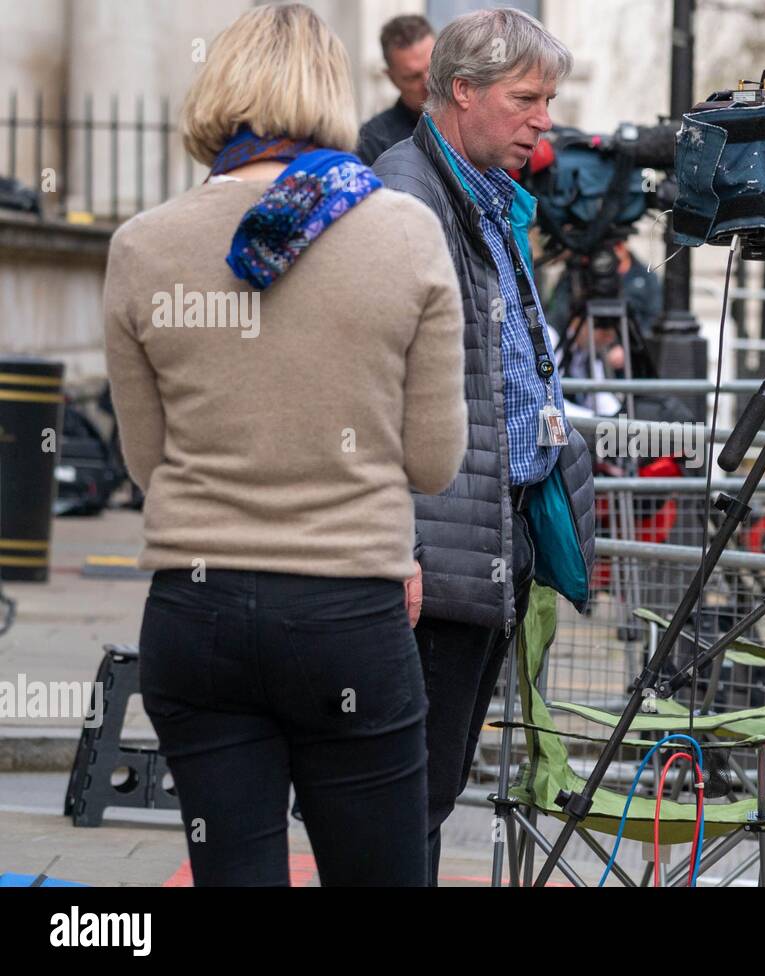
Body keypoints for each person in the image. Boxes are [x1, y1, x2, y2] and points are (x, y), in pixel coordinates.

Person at [103, 3, 467, 885]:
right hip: (347, 614)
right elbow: (433, 461)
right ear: (330, 93)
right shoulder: (406, 232)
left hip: (197, 617)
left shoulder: (142, 245)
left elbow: (145, 463)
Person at [371, 8, 595, 885]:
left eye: (550, 99)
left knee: (431, 785)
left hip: (484, 544)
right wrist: (401, 550)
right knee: (410, 794)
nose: (545, 119)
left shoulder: (478, 192)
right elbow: (377, 393)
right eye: (527, 98)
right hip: (439, 559)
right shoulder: (406, 197)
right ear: (462, 92)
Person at [355, 14, 436, 165]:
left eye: (434, 67)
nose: (428, 82)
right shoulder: (373, 140)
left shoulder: (472, 114)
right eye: (413, 77)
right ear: (391, 78)